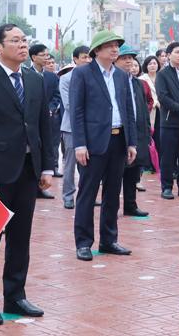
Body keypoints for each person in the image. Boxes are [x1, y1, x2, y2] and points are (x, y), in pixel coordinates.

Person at [0, 23, 55, 325]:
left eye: (24, 40)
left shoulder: (34, 79)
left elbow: (43, 126)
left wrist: (46, 166)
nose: (22, 45)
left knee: (20, 237)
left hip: (28, 171)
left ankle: (15, 295)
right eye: (15, 40)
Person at [69, 30, 137, 262]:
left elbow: (128, 110)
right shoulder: (82, 73)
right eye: (109, 45)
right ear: (97, 50)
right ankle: (83, 242)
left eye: (117, 45)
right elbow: (77, 111)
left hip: (118, 140)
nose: (115, 49)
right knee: (87, 193)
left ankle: (108, 239)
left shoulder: (121, 75)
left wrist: (131, 142)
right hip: (93, 142)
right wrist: (80, 144)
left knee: (113, 192)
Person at [115, 45, 151, 218]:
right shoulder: (114, 80)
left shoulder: (138, 83)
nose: (129, 61)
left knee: (133, 171)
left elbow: (143, 109)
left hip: (138, 133)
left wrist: (146, 133)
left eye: (131, 58)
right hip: (120, 133)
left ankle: (130, 205)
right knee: (116, 173)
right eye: (124, 58)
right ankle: (112, 206)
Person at [156, 41, 179, 199]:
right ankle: (166, 187)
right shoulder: (162, 75)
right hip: (169, 122)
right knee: (168, 157)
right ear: (169, 55)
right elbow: (163, 97)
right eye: (177, 52)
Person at [58, 46, 91, 209]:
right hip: (71, 128)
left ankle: (87, 195)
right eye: (84, 57)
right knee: (70, 164)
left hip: (92, 128)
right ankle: (68, 196)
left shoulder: (95, 76)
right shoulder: (66, 79)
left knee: (89, 165)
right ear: (75, 59)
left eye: (89, 57)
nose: (87, 60)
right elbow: (69, 105)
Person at [29, 44, 61, 199]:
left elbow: (56, 96)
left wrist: (51, 108)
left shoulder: (51, 76)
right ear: (34, 57)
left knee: (48, 149)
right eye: (43, 55)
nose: (47, 58)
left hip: (49, 119)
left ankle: (41, 186)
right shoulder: (25, 75)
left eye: (48, 55)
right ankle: (32, 186)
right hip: (31, 122)